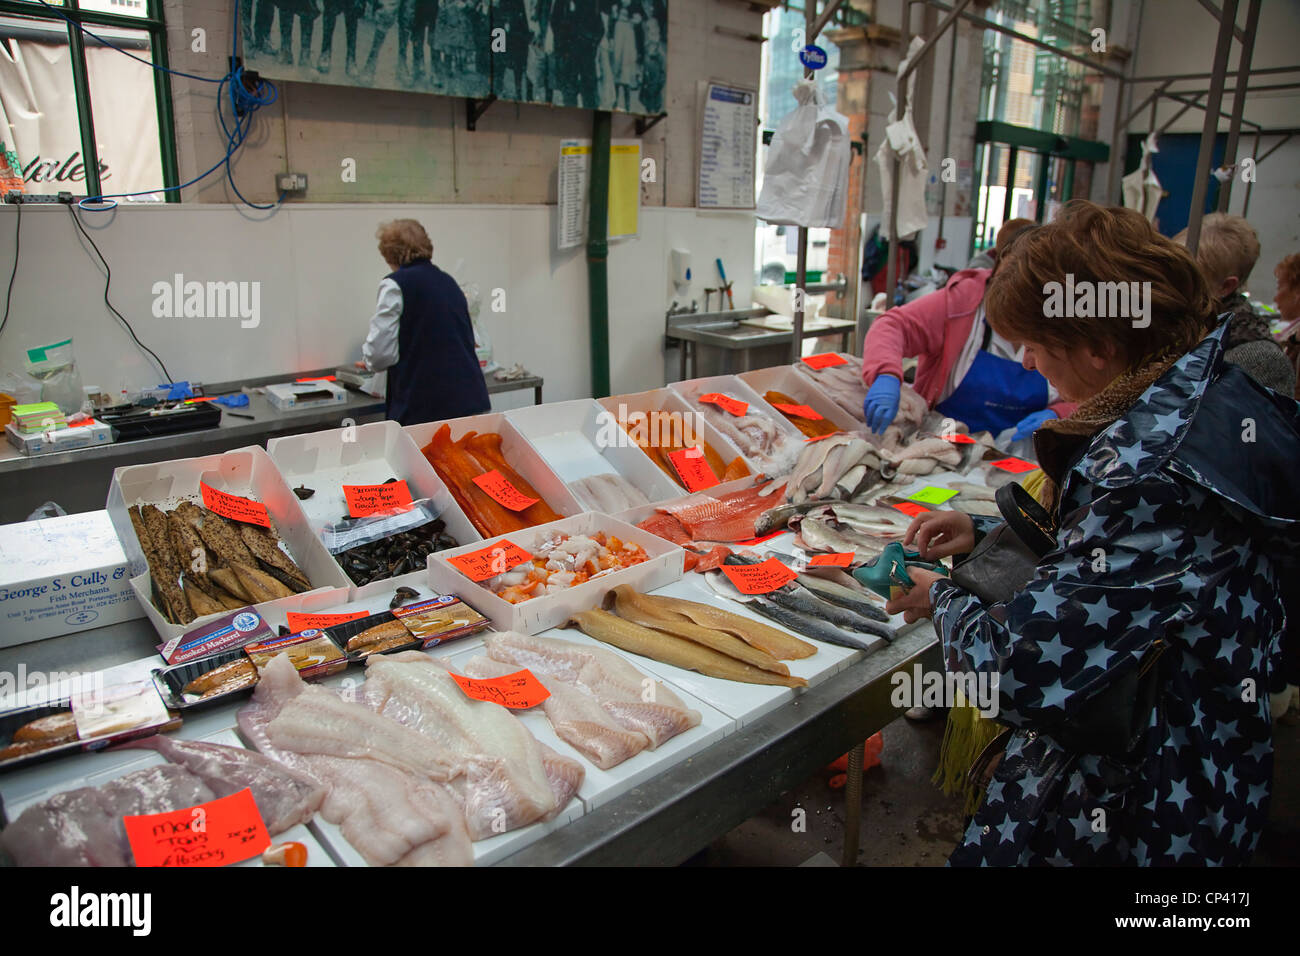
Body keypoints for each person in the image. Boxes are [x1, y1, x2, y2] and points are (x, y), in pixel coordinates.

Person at [884, 201, 1300, 866]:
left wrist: (943, 599)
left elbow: (1021, 671)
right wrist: (993, 527)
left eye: (1037, 343)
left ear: (1100, 348)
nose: (1025, 358)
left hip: (1139, 803)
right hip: (1217, 758)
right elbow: (1130, 558)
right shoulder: (1211, 386)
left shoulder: (1148, 470)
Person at [860, 218, 1075, 441]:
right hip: (943, 443)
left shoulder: (1064, 317)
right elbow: (893, 326)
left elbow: (1096, 393)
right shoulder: (962, 301)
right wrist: (886, 375)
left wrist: (1059, 413)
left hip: (1019, 456)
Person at [358, 219, 490, 426]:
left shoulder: (394, 285)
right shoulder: (448, 282)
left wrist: (368, 359)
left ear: (388, 254)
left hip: (425, 408)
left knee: (423, 459)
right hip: (470, 400)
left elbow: (380, 355)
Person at [1174, 213, 1296, 396]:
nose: (1168, 286)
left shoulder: (1260, 359)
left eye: (1187, 279)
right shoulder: (1178, 328)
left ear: (1226, 286)